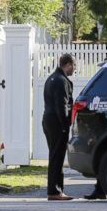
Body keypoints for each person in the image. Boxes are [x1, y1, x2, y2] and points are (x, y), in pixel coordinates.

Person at [42, 54, 77, 200]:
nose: (74, 69)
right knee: (57, 157)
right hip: (57, 122)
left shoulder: (51, 79)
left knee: (54, 156)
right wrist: (65, 124)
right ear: (68, 64)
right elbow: (62, 105)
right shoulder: (61, 80)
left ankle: (55, 190)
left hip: (48, 120)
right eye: (74, 66)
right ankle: (55, 191)